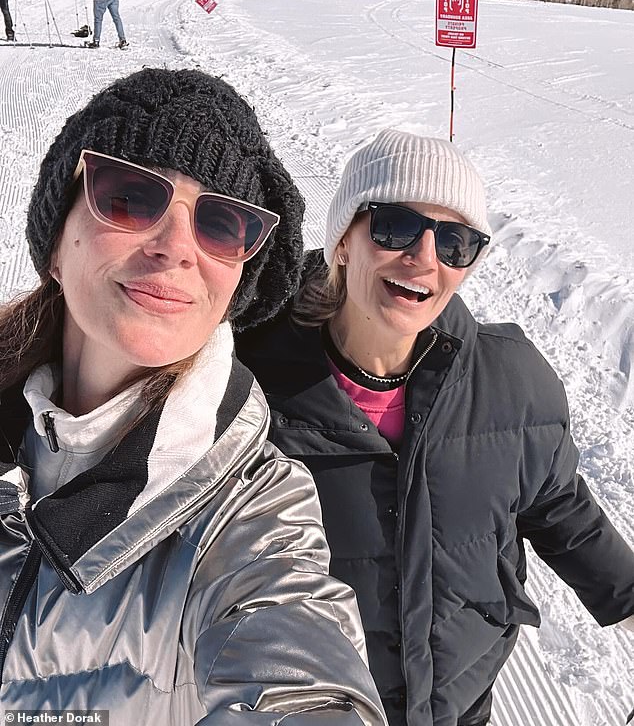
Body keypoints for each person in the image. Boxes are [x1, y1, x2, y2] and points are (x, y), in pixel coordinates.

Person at [0, 68, 388, 725]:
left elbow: (298, 672)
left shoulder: (254, 509)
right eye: (128, 197)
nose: (177, 247)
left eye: (223, 224)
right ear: (56, 245)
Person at [236, 129, 634, 726]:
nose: (424, 258)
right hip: (313, 707)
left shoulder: (511, 380)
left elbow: (556, 504)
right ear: (343, 239)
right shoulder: (248, 380)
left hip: (459, 703)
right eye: (395, 227)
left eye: (454, 241)